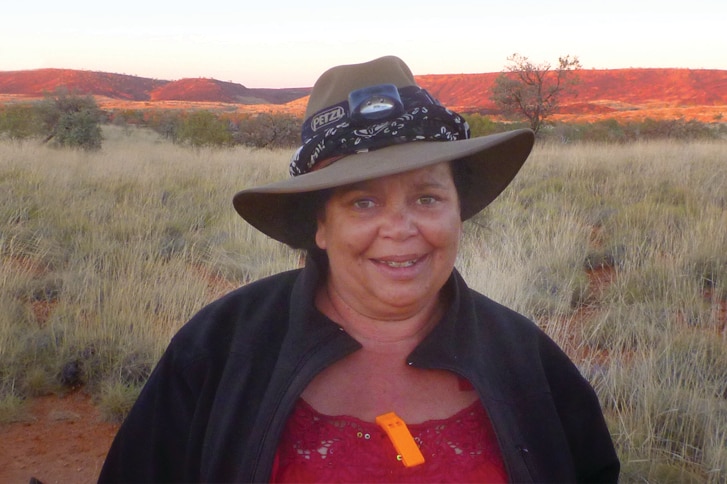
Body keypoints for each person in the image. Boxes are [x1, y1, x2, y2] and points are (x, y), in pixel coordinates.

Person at [99, 56, 619, 483]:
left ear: (457, 210)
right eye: (363, 203)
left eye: (427, 196)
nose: (400, 228)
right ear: (320, 226)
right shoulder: (220, 347)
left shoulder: (526, 358)